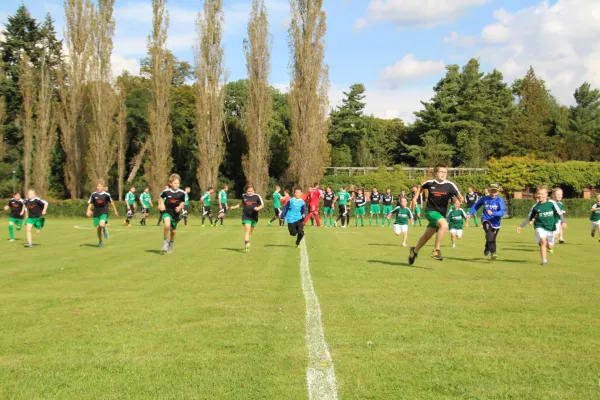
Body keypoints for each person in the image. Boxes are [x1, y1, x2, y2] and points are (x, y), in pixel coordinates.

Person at [408, 165, 463, 264]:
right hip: (431, 212)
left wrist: (459, 199)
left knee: (426, 237)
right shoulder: (430, 183)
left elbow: (456, 195)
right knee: (444, 225)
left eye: (445, 172)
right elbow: (420, 187)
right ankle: (436, 250)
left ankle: (414, 251)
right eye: (441, 172)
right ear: (435, 173)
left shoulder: (450, 185)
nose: (443, 174)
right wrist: (414, 199)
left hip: (441, 214)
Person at [517, 185, 566, 266]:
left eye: (542, 194)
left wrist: (563, 222)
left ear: (546, 194)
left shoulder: (552, 203)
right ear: (536, 194)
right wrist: (521, 226)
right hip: (539, 227)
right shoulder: (535, 207)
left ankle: (552, 242)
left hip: (551, 227)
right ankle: (544, 261)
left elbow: (560, 213)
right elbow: (529, 218)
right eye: (539, 194)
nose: (540, 195)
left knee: (550, 247)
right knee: (543, 242)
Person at [468, 182, 506, 259]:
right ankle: (493, 252)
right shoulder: (485, 198)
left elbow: (503, 212)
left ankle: (487, 247)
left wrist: (493, 213)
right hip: (486, 219)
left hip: (496, 222)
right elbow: (476, 205)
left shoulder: (500, 200)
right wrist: (470, 213)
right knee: (490, 234)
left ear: (498, 192)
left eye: (495, 191)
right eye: (491, 191)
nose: (493, 193)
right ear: (488, 191)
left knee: (491, 237)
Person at [230, 184, 264, 252]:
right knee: (247, 230)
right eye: (248, 191)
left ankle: (249, 235)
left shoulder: (257, 196)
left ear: (253, 190)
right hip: (246, 216)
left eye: (251, 191)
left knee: (251, 230)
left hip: (254, 216)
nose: (250, 192)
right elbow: (242, 203)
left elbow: (262, 205)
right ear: (246, 191)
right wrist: (234, 207)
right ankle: (246, 243)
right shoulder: (244, 196)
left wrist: (258, 208)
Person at [158, 174, 186, 254]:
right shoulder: (166, 192)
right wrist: (161, 204)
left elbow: (183, 201)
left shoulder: (182, 193)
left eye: (178, 183)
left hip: (175, 213)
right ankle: (165, 241)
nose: (177, 185)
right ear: (170, 183)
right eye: (175, 183)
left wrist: (180, 207)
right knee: (167, 225)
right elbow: (160, 197)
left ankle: (171, 243)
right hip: (166, 211)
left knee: (173, 231)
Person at [87, 180, 119, 248]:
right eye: (98, 186)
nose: (99, 187)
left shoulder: (106, 195)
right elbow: (90, 203)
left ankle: (104, 228)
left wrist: (115, 210)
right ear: (96, 187)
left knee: (101, 224)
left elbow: (112, 202)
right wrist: (88, 210)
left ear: (102, 187)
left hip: (104, 211)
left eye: (100, 186)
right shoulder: (93, 194)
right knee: (98, 228)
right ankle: (100, 241)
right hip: (96, 212)